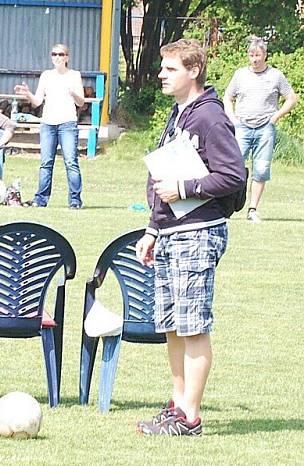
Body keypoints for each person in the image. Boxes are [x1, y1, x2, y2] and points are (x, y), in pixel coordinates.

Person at [134, 39, 246, 436]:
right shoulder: (179, 114)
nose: (161, 75)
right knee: (172, 324)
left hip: (198, 234)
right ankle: (177, 404)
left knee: (193, 324)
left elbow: (233, 175)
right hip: (170, 234)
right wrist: (152, 228)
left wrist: (184, 188)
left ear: (193, 71)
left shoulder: (210, 118)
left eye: (170, 69)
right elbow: (162, 175)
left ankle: (191, 418)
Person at [224, 36, 299, 223]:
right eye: (251, 55)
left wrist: (276, 116)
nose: (255, 59)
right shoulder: (240, 74)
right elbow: (227, 97)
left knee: (261, 168)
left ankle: (252, 210)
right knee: (233, 166)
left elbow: (291, 98)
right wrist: (232, 119)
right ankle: (225, 207)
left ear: (265, 55)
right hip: (242, 126)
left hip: (265, 128)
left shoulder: (276, 76)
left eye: (258, 55)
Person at [15, 43, 85, 209]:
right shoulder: (46, 75)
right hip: (48, 123)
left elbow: (81, 101)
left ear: (67, 57)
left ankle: (75, 200)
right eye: (54, 54)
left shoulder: (74, 75)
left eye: (61, 54)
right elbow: (38, 101)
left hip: (67, 123)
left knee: (71, 162)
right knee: (46, 163)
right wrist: (27, 94)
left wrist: (73, 92)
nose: (57, 58)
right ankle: (41, 199)